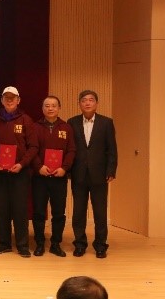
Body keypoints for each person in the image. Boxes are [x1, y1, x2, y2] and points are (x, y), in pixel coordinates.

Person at [67, 90, 118, 259]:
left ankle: (100, 245)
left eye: (91, 100)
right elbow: (69, 149)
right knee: (79, 212)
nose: (87, 103)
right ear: (79, 104)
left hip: (100, 175)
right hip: (78, 174)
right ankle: (80, 244)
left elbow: (112, 149)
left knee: (100, 213)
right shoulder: (72, 122)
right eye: (84, 100)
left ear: (96, 103)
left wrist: (111, 170)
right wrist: (68, 170)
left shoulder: (106, 123)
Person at [0, 86, 38, 257]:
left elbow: (33, 147)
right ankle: (4, 243)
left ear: (19, 100)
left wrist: (22, 164)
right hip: (1, 173)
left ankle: (22, 245)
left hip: (20, 173)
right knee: (3, 209)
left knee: (20, 209)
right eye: (6, 98)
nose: (9, 101)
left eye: (13, 98)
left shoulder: (26, 120)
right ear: (2, 100)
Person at [31, 95, 75, 257]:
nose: (50, 108)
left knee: (58, 213)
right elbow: (31, 149)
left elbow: (71, 150)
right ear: (42, 109)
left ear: (59, 108)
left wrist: (64, 168)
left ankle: (56, 244)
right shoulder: (35, 127)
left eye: (53, 105)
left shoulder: (66, 127)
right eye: (47, 105)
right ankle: (39, 243)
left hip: (59, 177)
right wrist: (38, 167)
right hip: (39, 177)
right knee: (39, 212)